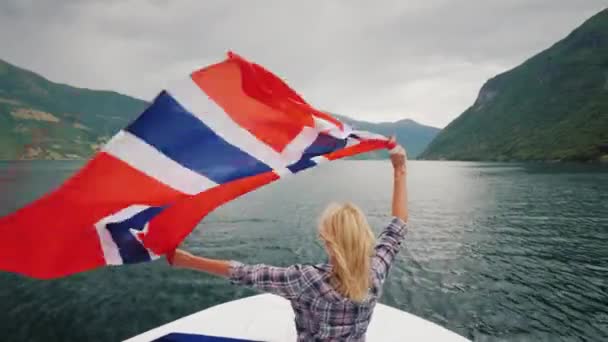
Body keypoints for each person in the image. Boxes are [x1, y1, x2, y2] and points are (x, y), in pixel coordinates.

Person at [168, 139, 408, 341]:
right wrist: (400, 171)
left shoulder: (307, 280)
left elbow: (245, 272)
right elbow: (398, 226)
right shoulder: (375, 271)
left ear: (328, 242)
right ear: (364, 237)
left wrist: (188, 260)